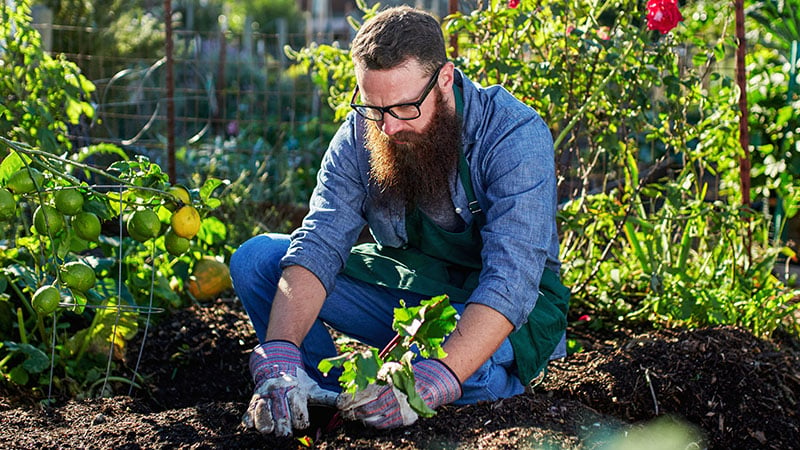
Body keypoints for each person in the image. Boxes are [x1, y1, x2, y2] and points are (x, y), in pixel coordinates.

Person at [230, 5, 569, 437]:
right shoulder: (362, 132)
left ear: (444, 78)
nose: (388, 127)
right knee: (258, 260)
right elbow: (320, 240)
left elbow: (512, 278)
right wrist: (280, 350)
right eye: (374, 107)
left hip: (502, 307)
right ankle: (329, 401)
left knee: (461, 375)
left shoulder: (512, 134)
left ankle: (459, 386)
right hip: (412, 292)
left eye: (406, 107)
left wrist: (439, 377)